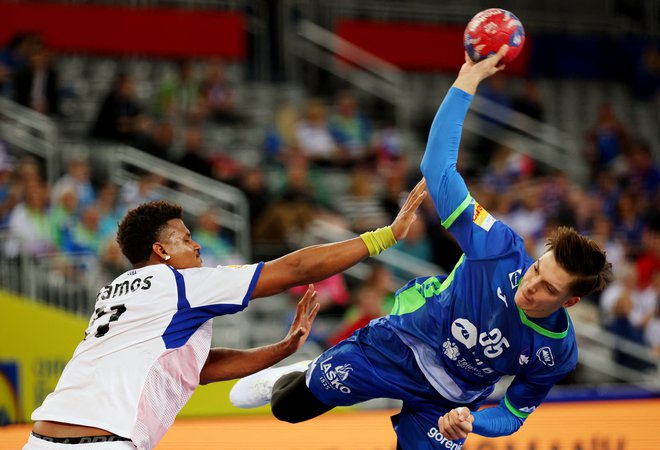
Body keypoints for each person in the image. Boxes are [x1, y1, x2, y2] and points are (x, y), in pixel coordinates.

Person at [229, 46, 614, 449]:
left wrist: (471, 423)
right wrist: (467, 80)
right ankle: (305, 371)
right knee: (288, 408)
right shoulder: (498, 249)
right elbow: (437, 169)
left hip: (448, 401)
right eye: (537, 270)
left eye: (550, 289)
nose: (532, 286)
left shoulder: (557, 351)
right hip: (400, 345)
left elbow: (512, 417)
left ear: (569, 303)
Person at [25, 179, 426, 450]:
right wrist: (384, 236)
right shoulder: (179, 284)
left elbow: (191, 368)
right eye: (185, 238)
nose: (197, 246)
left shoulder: (112, 291)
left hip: (41, 437)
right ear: (161, 252)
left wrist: (280, 349)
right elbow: (296, 270)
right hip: (104, 441)